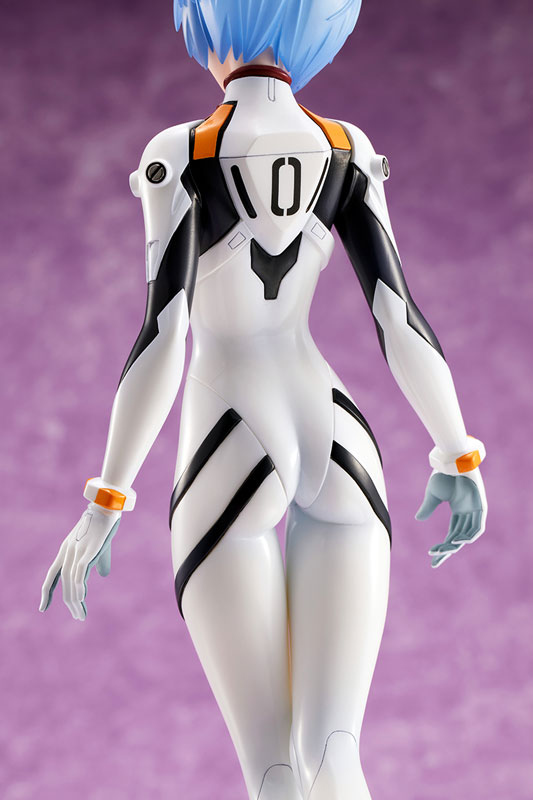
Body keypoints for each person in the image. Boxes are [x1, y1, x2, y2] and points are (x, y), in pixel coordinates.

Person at [40, 1, 487, 797]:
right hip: (337, 433)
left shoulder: (182, 150)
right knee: (334, 753)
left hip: (230, 430)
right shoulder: (346, 147)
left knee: (273, 771)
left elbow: (163, 333)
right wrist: (457, 453)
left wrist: (107, 498)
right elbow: (397, 315)